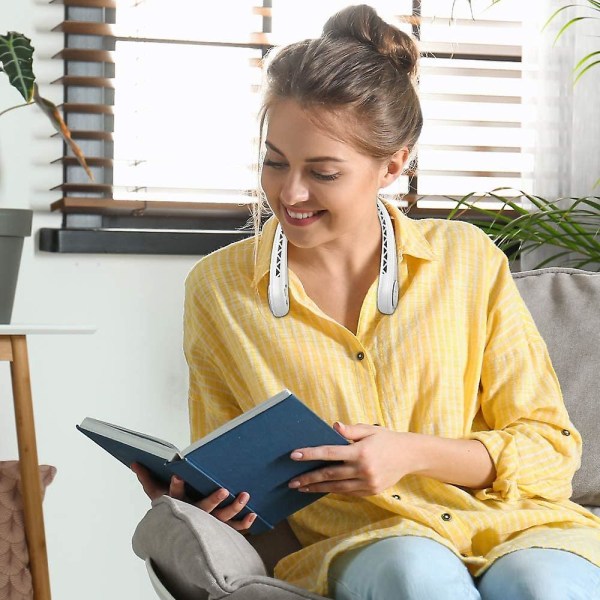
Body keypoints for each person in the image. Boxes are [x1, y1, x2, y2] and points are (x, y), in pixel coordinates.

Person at [134, 4, 600, 599]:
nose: (291, 193)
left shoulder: (466, 259)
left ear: (393, 165)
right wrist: (207, 496)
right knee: (414, 573)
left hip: (518, 531)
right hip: (368, 544)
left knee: (542, 586)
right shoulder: (220, 290)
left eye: (323, 172)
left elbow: (551, 449)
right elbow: (237, 474)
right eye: (275, 163)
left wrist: (411, 454)